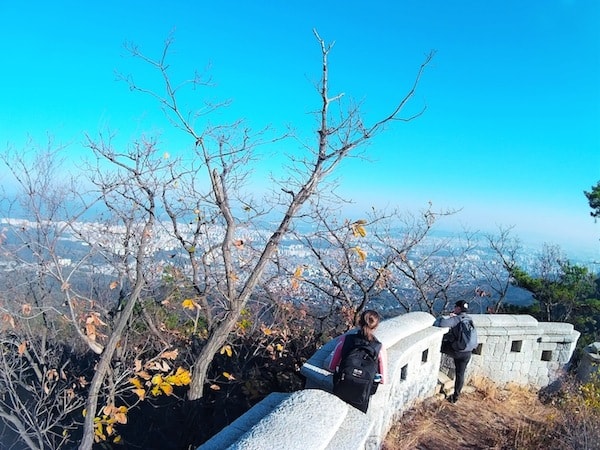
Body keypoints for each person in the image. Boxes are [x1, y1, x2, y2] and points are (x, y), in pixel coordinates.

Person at [328, 309, 388, 412]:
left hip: (341, 388)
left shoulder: (345, 340)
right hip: (361, 395)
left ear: (359, 322)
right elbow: (383, 380)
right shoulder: (378, 347)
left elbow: (331, 367)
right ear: (376, 327)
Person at [434, 300, 477, 403]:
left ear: (458, 308)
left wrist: (449, 317)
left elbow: (441, 323)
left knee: (439, 347)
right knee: (460, 374)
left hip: (457, 351)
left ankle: (433, 371)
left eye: (455, 307)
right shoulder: (469, 319)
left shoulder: (457, 319)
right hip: (468, 352)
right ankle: (455, 398)